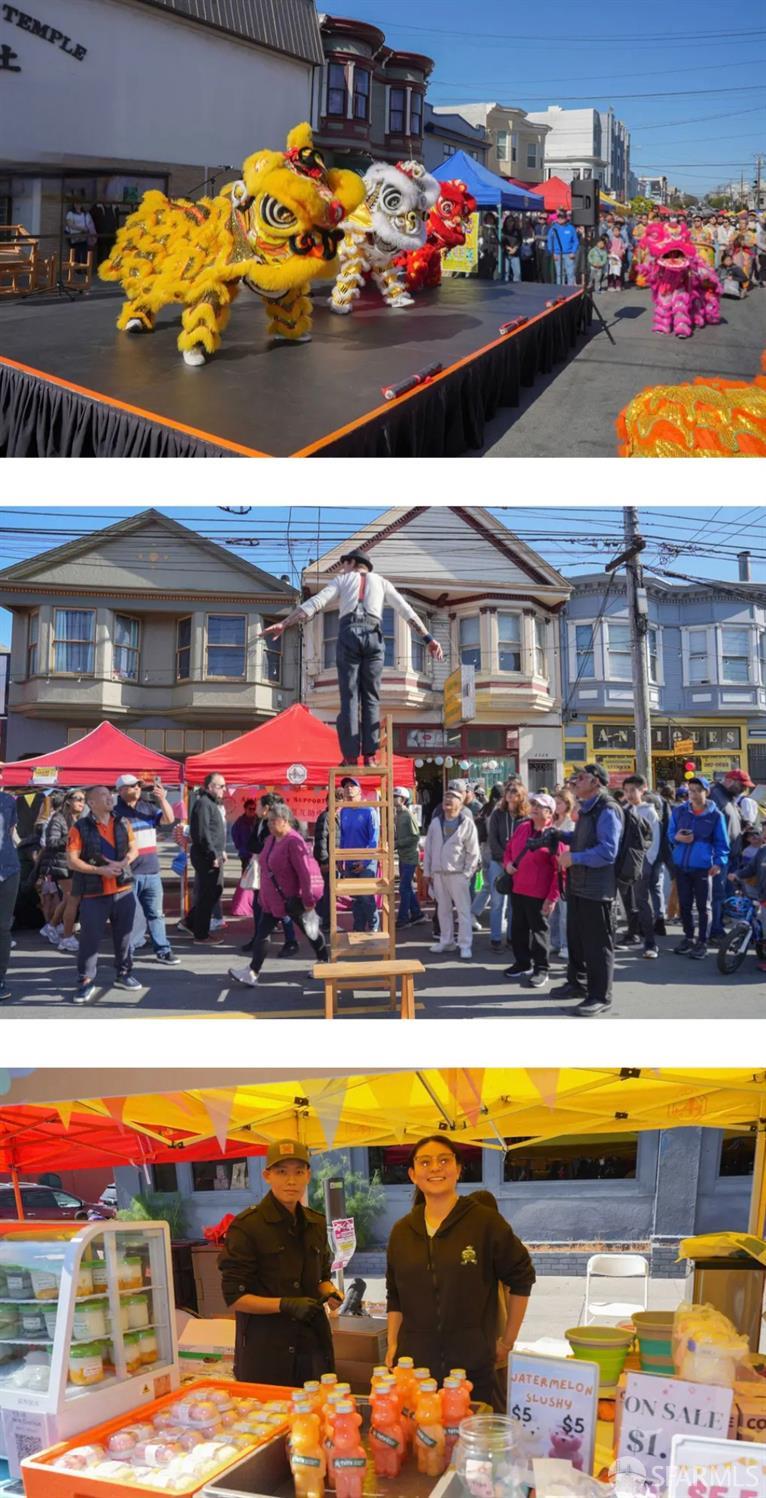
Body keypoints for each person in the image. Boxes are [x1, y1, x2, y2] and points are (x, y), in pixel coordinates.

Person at [385, 1135, 535, 1405]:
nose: (435, 1168)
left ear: (458, 1169)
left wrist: (507, 1340)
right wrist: (394, 1344)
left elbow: (522, 1276)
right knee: (422, 1441)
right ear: (412, 1174)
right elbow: (394, 1295)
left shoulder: (485, 1222)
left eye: (444, 1160)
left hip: (471, 1368)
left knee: (466, 1441)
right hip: (415, 1371)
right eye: (425, 1162)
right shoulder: (401, 1232)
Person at [262, 551, 443, 767]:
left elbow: (317, 603)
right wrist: (429, 638)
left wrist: (285, 623)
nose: (341, 568)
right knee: (371, 697)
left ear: (352, 563)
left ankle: (349, 756)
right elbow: (407, 611)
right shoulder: (382, 582)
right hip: (374, 636)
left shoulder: (342, 580)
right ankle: (369, 756)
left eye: (343, 564)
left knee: (349, 697)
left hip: (349, 633)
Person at [219, 1139, 342, 1384]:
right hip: (266, 1354)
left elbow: (322, 1277)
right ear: (267, 1175)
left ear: (308, 1175)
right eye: (282, 1172)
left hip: (312, 1347)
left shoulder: (315, 1223)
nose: (291, 1180)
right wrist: (285, 1305)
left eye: (298, 1172)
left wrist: (330, 1292)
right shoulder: (247, 1227)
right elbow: (235, 1298)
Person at [228, 802, 327, 988]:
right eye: (268, 821)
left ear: (285, 820)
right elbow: (265, 867)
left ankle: (324, 961)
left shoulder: (294, 841)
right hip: (272, 901)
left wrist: (308, 901)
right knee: (262, 935)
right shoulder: (271, 839)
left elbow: (305, 873)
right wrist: (262, 896)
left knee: (310, 930)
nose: (270, 825)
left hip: (293, 900)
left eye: (273, 821)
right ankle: (252, 972)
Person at [554, 764, 623, 1019]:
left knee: (598, 945)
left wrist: (575, 858)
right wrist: (560, 835)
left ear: (596, 782)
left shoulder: (607, 809)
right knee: (577, 939)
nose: (575, 782)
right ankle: (577, 982)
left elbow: (607, 852)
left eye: (580, 778)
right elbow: (583, 840)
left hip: (597, 889)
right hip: (579, 886)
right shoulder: (586, 809)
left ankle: (600, 996)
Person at [66, 784, 141, 1006]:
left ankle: (123, 973)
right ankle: (86, 980)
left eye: (110, 795)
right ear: (91, 803)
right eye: (104, 795)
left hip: (123, 890)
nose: (110, 798)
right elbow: (72, 860)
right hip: (94, 893)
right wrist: (100, 870)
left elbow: (134, 849)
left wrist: (124, 862)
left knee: (125, 937)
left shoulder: (123, 822)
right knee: (90, 940)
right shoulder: (79, 827)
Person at [113, 773, 179, 966]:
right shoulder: (115, 813)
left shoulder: (148, 808)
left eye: (139, 786)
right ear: (121, 790)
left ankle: (163, 950)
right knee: (129, 915)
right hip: (128, 873)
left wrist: (162, 799)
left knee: (156, 914)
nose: (137, 788)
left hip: (152, 871)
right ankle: (128, 950)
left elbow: (169, 819)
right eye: (132, 786)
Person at [503, 793, 560, 990]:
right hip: (518, 888)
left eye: (539, 805)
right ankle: (522, 962)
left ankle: (541, 969)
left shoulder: (553, 835)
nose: (534, 807)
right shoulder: (523, 827)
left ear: (549, 812)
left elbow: (559, 871)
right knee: (518, 929)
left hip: (539, 893)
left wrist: (552, 898)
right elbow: (509, 849)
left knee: (539, 933)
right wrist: (508, 864)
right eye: (533, 803)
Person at [669, 775, 729, 960]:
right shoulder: (679, 811)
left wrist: (719, 863)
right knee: (685, 905)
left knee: (704, 907)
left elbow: (722, 843)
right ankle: (688, 938)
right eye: (690, 791)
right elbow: (669, 834)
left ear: (706, 792)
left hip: (703, 867)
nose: (693, 794)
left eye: (697, 791)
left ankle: (702, 942)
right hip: (682, 866)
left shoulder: (715, 815)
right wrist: (676, 837)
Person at [423, 785, 480, 961]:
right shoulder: (435, 822)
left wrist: (467, 874)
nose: (447, 800)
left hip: (458, 874)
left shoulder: (466, 823)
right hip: (439, 873)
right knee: (443, 910)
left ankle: (465, 944)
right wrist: (427, 872)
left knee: (463, 911)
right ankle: (446, 941)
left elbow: (473, 852)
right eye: (445, 797)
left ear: (460, 802)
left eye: (452, 797)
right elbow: (429, 848)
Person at [618, 776, 661, 959]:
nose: (629, 794)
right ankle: (632, 934)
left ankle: (650, 943)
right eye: (626, 791)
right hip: (624, 864)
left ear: (642, 790)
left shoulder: (649, 812)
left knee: (642, 902)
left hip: (641, 864)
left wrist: (647, 863)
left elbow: (655, 841)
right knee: (628, 902)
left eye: (632, 790)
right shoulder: (623, 809)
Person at [486, 782, 531, 952]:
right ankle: (496, 937)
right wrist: (505, 860)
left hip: (518, 865)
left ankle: (513, 936)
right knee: (497, 902)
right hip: (498, 862)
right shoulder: (498, 814)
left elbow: (527, 842)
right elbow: (493, 839)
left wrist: (515, 862)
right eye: (508, 791)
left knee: (515, 903)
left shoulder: (526, 817)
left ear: (521, 796)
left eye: (514, 792)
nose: (510, 794)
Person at [186, 772, 228, 945]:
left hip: (213, 855)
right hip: (207, 857)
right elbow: (202, 833)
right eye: (221, 786)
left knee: (212, 892)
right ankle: (201, 934)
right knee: (208, 894)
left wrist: (220, 851)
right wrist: (213, 855)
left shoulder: (211, 803)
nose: (224, 790)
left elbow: (213, 832)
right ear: (210, 787)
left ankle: (191, 923)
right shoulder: (203, 803)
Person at [339, 776, 379, 934]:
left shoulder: (370, 810)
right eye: (346, 786)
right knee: (355, 897)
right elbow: (342, 836)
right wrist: (340, 858)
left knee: (366, 897)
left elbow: (374, 839)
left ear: (359, 789)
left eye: (352, 786)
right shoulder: (344, 811)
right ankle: (358, 927)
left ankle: (373, 925)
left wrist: (365, 860)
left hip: (366, 862)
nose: (348, 789)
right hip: (349, 859)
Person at [709, 771, 746, 939]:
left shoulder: (729, 798)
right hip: (721, 856)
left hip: (731, 856)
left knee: (726, 895)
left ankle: (719, 926)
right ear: (730, 781)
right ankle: (715, 930)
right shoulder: (715, 796)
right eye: (742, 785)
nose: (744, 789)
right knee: (719, 894)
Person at [548, 788, 575, 961]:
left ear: (567, 804)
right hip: (551, 869)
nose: (557, 806)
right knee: (553, 909)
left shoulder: (571, 822)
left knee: (565, 911)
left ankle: (566, 944)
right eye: (555, 803)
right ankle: (555, 941)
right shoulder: (552, 822)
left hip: (565, 869)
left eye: (560, 803)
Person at [0, 776, 20, 1004]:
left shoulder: (7, 800)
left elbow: (11, 830)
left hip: (8, 870)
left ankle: (0, 978)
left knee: (3, 928)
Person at [394, 787, 423, 927]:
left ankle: (403, 919)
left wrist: (397, 843)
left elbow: (415, 837)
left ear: (403, 799)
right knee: (407, 887)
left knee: (404, 888)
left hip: (410, 857)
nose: (393, 798)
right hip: (402, 855)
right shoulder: (397, 815)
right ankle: (417, 913)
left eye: (396, 796)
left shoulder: (408, 815)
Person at [547, 209, 579, 285]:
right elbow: (549, 241)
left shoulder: (571, 228)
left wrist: (573, 252)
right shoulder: (553, 228)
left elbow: (576, 241)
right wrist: (553, 252)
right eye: (559, 217)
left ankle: (570, 291)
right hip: (557, 254)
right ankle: (560, 290)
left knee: (570, 273)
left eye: (562, 217)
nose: (560, 219)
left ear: (566, 218)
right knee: (559, 274)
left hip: (569, 254)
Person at [64, 197, 96, 266]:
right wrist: (81, 228)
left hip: (83, 236)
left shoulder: (85, 214)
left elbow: (90, 224)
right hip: (74, 236)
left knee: (84, 253)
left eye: (79, 203)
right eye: (76, 203)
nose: (77, 205)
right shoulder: (70, 213)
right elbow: (70, 225)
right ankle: (76, 269)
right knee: (76, 253)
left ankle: (83, 268)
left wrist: (92, 234)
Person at [232, 799, 259, 870]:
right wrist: (240, 846)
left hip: (257, 853)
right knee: (245, 875)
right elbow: (234, 834)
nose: (252, 811)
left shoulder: (258, 820)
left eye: (254, 809)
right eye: (250, 809)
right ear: (245, 809)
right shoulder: (240, 821)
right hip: (245, 854)